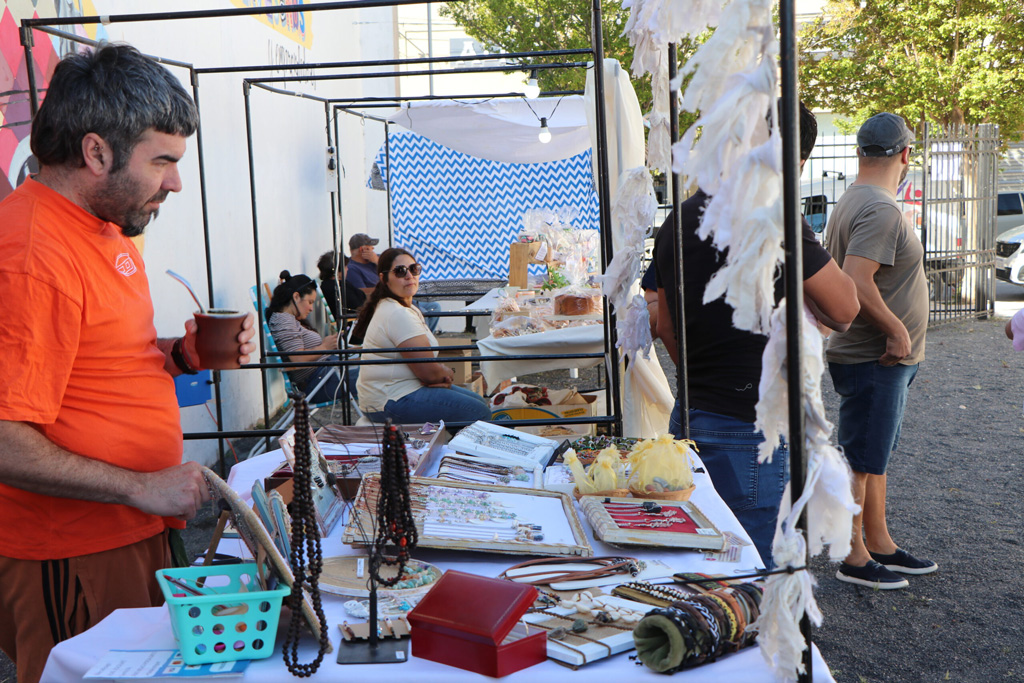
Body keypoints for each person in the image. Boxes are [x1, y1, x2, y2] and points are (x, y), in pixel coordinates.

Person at [0, 43, 255, 683]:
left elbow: (98, 360)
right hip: (73, 547)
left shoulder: (105, 226)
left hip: (130, 530)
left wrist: (180, 354)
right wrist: (142, 486)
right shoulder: (33, 254)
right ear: (96, 152)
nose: (175, 181)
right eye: (163, 160)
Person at [653, 101, 860, 568]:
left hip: (690, 414)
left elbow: (664, 325)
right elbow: (847, 308)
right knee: (757, 577)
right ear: (795, 161)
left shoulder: (678, 218)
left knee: (699, 566)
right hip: (752, 425)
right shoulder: (775, 218)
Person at [825, 112, 936, 589]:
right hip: (875, 354)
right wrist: (895, 329)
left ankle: (879, 543)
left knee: (874, 455)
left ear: (859, 153)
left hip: (875, 356)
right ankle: (852, 556)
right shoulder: (881, 208)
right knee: (861, 457)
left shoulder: (855, 198)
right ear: (906, 155)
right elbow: (855, 281)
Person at [353, 248, 491, 425]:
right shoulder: (397, 313)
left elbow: (428, 370)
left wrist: (438, 376)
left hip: (395, 393)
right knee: (478, 411)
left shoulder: (401, 307)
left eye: (414, 269)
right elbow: (429, 374)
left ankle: (450, 449)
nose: (409, 275)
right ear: (384, 278)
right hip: (390, 400)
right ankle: (455, 452)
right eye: (400, 271)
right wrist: (446, 373)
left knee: (477, 401)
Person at [266, 271, 344, 404]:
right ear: (296, 297)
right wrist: (324, 347)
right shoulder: (283, 320)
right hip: (319, 382)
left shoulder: (289, 319)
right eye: (310, 302)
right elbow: (297, 358)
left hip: (327, 375)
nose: (312, 308)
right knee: (372, 377)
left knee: (375, 373)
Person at [348, 233, 442, 333]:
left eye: (414, 269)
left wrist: (376, 261)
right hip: (387, 298)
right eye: (370, 247)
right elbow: (360, 292)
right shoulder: (353, 268)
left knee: (434, 307)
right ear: (363, 250)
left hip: (400, 295)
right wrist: (385, 287)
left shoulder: (376, 259)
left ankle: (426, 335)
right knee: (422, 313)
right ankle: (421, 336)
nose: (373, 249)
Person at [317, 250, 366, 322]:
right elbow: (356, 306)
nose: (347, 269)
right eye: (345, 267)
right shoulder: (338, 288)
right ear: (338, 271)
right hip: (352, 323)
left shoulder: (330, 285)